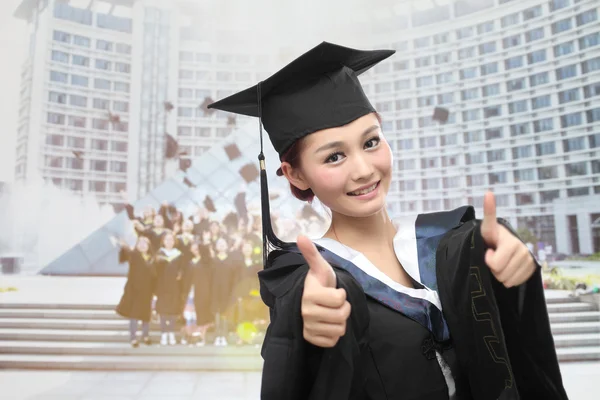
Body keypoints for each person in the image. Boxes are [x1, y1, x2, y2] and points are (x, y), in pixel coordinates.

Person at [208, 42, 568, 399]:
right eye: (334, 157)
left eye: (371, 142)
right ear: (296, 175)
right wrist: (309, 315)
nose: (364, 170)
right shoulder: (306, 277)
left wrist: (513, 275)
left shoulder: (454, 243)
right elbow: (303, 306)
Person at [115, 236, 156, 347]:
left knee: (146, 315)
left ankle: (145, 336)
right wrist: (123, 246)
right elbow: (126, 254)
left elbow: (155, 276)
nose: (142, 245)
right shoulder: (134, 255)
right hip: (135, 290)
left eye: (145, 243)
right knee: (134, 315)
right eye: (140, 243)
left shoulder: (152, 258)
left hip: (147, 291)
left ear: (148, 246)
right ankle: (133, 338)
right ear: (137, 245)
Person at [154, 231, 184, 346]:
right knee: (162, 310)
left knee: (172, 310)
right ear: (163, 241)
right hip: (162, 286)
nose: (169, 242)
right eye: (167, 239)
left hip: (174, 286)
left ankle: (170, 332)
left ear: (174, 241)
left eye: (171, 239)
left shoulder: (178, 254)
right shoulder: (159, 254)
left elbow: (182, 269)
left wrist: (181, 273)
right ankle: (164, 333)